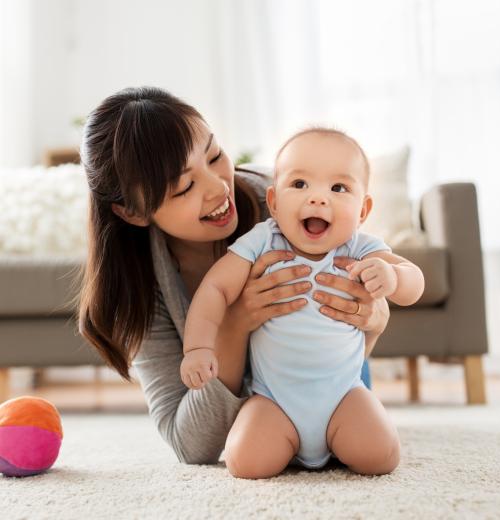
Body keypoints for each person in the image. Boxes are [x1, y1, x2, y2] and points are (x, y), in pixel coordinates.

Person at [78, 86, 391, 467]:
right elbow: (190, 444)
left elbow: (367, 294)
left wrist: (374, 319)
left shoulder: (287, 206)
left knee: (371, 446)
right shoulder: (139, 287)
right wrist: (234, 325)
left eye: (214, 155)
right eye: (185, 187)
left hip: (338, 387)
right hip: (264, 419)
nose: (217, 187)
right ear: (133, 212)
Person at [181, 128, 425, 478]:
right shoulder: (263, 240)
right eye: (299, 185)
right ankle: (289, 443)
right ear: (275, 202)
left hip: (344, 394)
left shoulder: (359, 247)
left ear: (363, 210)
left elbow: (413, 280)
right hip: (274, 401)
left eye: (339, 188)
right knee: (245, 463)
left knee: (381, 456)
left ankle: (338, 438)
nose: (318, 199)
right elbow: (215, 289)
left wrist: (394, 277)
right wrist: (198, 348)